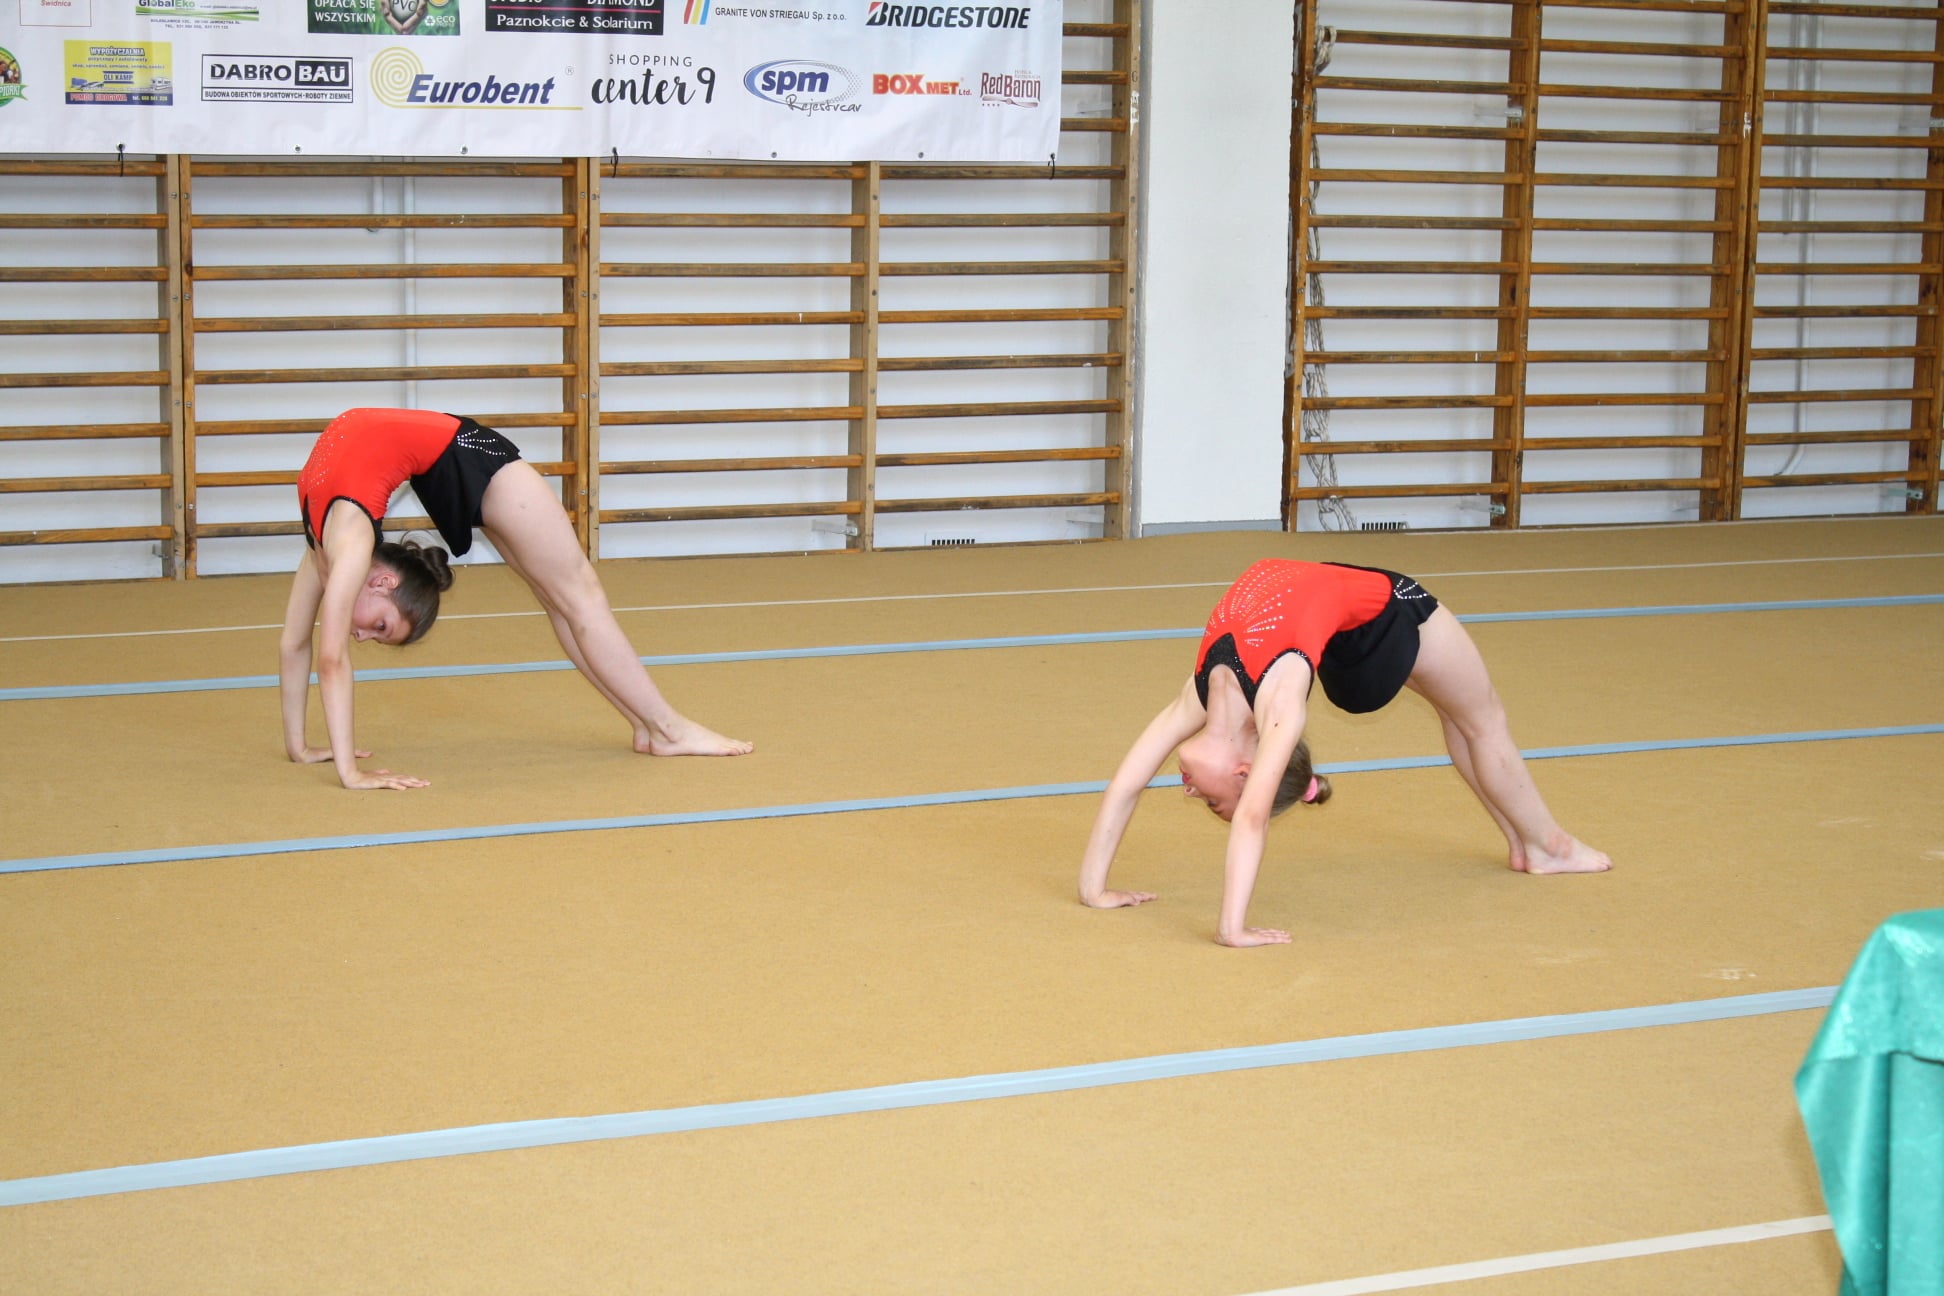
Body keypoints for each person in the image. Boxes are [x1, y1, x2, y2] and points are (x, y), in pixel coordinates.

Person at [1077, 559, 1609, 946]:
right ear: (1245, 770)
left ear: (1245, 772)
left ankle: (1535, 843)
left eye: (1216, 805)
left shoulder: (1202, 694)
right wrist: (1224, 926)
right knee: (1477, 719)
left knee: (1473, 719)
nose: (1190, 792)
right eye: (1211, 802)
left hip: (1375, 614)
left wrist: (1096, 891)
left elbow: (1132, 785)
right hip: (1371, 617)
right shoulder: (1270, 701)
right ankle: (1546, 846)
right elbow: (1245, 813)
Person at [279, 407, 751, 790]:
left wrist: (351, 773)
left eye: (379, 627)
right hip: (435, 464)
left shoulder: (350, 543)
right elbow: (293, 644)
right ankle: (651, 728)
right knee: (561, 599)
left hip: (471, 453)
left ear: (382, 582)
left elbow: (331, 659)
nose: (361, 635)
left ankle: (665, 728)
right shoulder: (322, 547)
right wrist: (299, 747)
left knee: (578, 594)